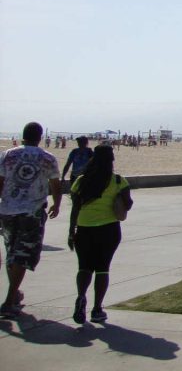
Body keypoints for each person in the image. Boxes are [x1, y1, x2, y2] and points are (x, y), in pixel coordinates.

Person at [0, 122, 61, 318]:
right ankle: (10, 300)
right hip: (32, 211)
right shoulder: (47, 158)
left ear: (23, 135)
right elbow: (55, 183)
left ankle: (14, 294)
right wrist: (56, 204)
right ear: (40, 136)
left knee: (11, 252)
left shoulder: (8, 155)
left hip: (8, 210)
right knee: (23, 254)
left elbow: (0, 181)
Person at [67, 143, 132, 324]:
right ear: (111, 159)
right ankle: (97, 309)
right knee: (102, 268)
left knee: (84, 266)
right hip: (108, 229)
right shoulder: (118, 181)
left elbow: (75, 209)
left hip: (84, 228)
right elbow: (129, 204)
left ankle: (81, 297)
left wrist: (71, 231)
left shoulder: (81, 181)